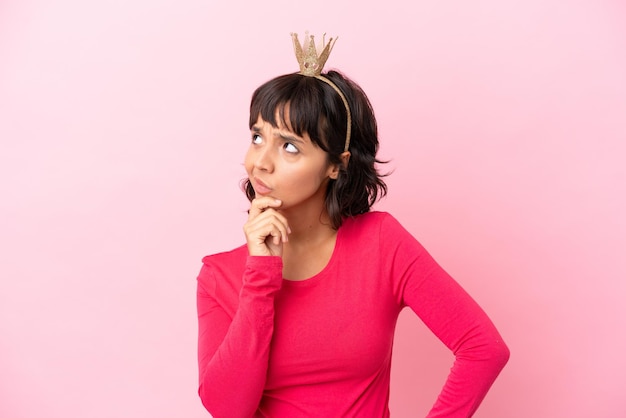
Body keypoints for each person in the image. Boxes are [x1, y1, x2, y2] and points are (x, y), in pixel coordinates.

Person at [196, 32, 510, 418]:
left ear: (336, 164)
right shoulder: (219, 276)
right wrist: (260, 277)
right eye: (258, 136)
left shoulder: (380, 243)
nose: (260, 161)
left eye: (290, 146)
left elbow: (483, 348)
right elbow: (227, 410)